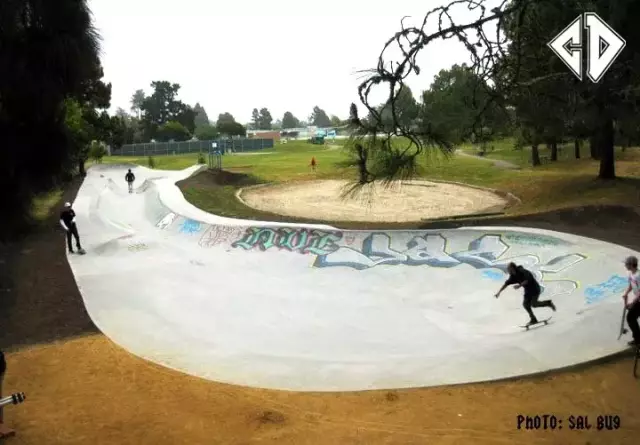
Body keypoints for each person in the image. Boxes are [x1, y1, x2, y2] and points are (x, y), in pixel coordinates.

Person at [495, 262, 556, 326]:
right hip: (528, 291)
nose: (508, 271)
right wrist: (499, 292)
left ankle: (548, 303)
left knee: (534, 304)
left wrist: (519, 286)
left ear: (512, 268)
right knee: (525, 305)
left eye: (509, 269)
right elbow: (506, 284)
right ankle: (533, 319)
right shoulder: (513, 276)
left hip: (535, 289)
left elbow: (527, 280)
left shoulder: (523, 271)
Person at [622, 255, 640, 347]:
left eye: (627, 264)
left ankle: (638, 339)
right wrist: (626, 293)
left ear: (632, 265)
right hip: (637, 300)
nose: (625, 265)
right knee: (632, 318)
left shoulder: (638, 275)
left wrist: (633, 302)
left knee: (631, 318)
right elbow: (631, 285)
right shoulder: (631, 274)